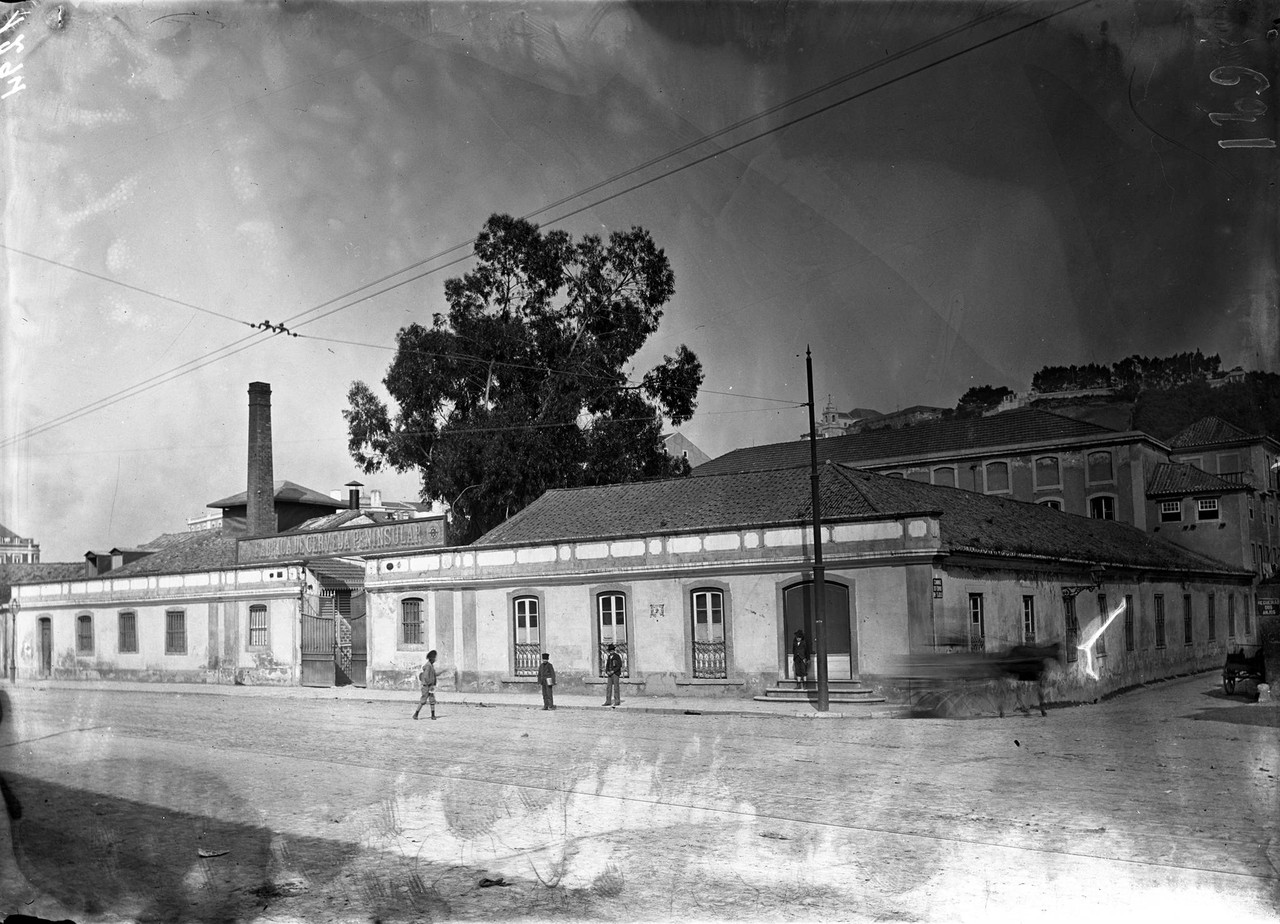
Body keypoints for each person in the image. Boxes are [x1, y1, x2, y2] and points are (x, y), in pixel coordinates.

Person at [412, 650, 438, 720]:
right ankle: (416, 714)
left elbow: (433, 675)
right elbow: (426, 676)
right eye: (435, 658)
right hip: (427, 686)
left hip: (431, 686)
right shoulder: (428, 666)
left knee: (432, 700)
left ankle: (433, 715)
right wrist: (430, 683)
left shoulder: (431, 666)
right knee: (423, 700)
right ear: (432, 658)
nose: (435, 659)